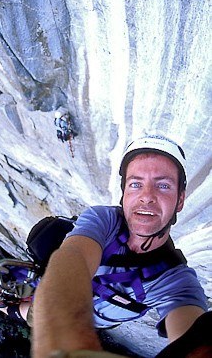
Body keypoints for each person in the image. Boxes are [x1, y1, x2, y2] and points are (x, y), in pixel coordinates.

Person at [31, 135, 209, 358]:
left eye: (163, 186)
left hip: (92, 317)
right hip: (47, 290)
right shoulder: (104, 220)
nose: (147, 197)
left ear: (180, 201)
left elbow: (191, 332)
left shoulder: (176, 283)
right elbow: (74, 255)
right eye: (136, 184)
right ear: (124, 193)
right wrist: (64, 330)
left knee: (20, 309)